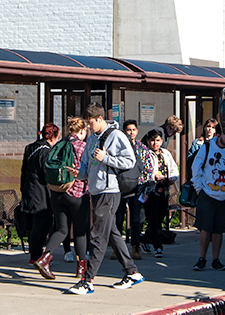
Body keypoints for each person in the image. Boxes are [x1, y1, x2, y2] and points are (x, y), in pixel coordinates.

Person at [69, 104, 144, 295]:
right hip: (96, 190)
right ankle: (131, 271)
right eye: (86, 123)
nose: (88, 126)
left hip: (110, 191)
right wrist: (78, 174)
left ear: (100, 119)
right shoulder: (91, 138)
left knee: (97, 235)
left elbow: (129, 161)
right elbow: (87, 166)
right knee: (111, 233)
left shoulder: (116, 135)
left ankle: (88, 280)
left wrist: (106, 158)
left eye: (90, 122)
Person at [40, 117, 91, 281]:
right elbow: (89, 169)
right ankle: (81, 269)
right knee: (80, 231)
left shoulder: (59, 145)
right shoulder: (83, 146)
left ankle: (45, 257)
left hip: (57, 192)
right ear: (82, 131)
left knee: (61, 229)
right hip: (77, 194)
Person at [191, 122, 225, 271]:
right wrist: (198, 188)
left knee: (218, 229)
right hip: (207, 194)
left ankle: (216, 259)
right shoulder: (207, 147)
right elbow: (196, 167)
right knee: (205, 227)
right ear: (219, 135)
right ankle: (202, 258)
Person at [22, 123, 60, 278]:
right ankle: (37, 256)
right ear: (54, 136)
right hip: (41, 193)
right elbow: (46, 174)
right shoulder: (47, 151)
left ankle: (34, 255)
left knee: (34, 225)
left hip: (29, 190)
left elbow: (24, 169)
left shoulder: (30, 147)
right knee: (42, 225)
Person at [140, 128, 177, 257]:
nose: (155, 143)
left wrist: (172, 178)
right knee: (152, 220)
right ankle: (158, 247)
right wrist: (153, 177)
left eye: (157, 140)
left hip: (164, 191)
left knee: (160, 218)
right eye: (152, 140)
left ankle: (144, 240)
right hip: (150, 191)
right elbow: (143, 173)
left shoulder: (165, 153)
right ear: (148, 141)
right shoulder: (145, 154)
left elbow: (173, 169)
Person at [119, 119, 147, 259]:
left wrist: (145, 186)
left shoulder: (141, 148)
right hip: (121, 187)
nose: (131, 132)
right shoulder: (119, 147)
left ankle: (135, 246)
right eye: (128, 130)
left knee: (137, 219)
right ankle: (118, 248)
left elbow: (147, 167)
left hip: (138, 187)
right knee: (118, 218)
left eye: (133, 129)